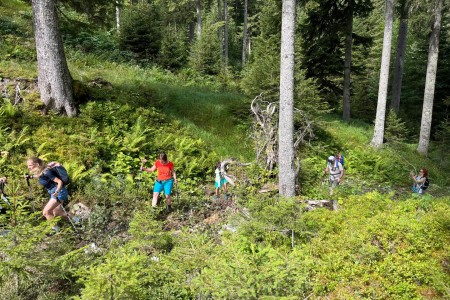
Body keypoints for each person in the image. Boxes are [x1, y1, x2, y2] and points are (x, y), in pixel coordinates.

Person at [26, 157, 69, 231]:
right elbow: (40, 176)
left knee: (46, 212)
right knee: (57, 213)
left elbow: (59, 182)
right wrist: (30, 177)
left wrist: (57, 192)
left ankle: (57, 231)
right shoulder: (42, 171)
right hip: (57, 192)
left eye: (30, 165)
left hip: (59, 192)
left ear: (36, 164)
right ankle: (76, 220)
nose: (28, 167)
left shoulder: (46, 172)